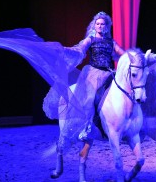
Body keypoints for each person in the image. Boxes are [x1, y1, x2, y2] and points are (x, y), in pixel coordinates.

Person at [49, 11, 125, 179]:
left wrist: (134, 59)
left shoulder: (111, 42)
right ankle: (85, 128)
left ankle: (116, 127)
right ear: (94, 25)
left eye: (102, 24)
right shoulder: (90, 39)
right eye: (97, 24)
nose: (100, 26)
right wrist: (64, 50)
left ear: (107, 26)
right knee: (89, 100)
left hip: (109, 74)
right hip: (93, 75)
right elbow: (79, 49)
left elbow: (122, 53)